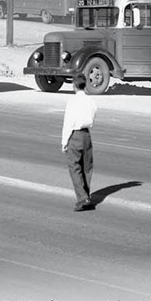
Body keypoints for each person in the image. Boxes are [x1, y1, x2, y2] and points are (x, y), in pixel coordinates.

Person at [61, 73, 98, 212]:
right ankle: (86, 196)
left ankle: (83, 198)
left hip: (75, 135)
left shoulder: (72, 102)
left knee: (74, 167)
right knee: (86, 167)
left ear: (74, 86)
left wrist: (64, 141)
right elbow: (93, 116)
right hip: (86, 135)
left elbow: (68, 123)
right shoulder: (91, 101)